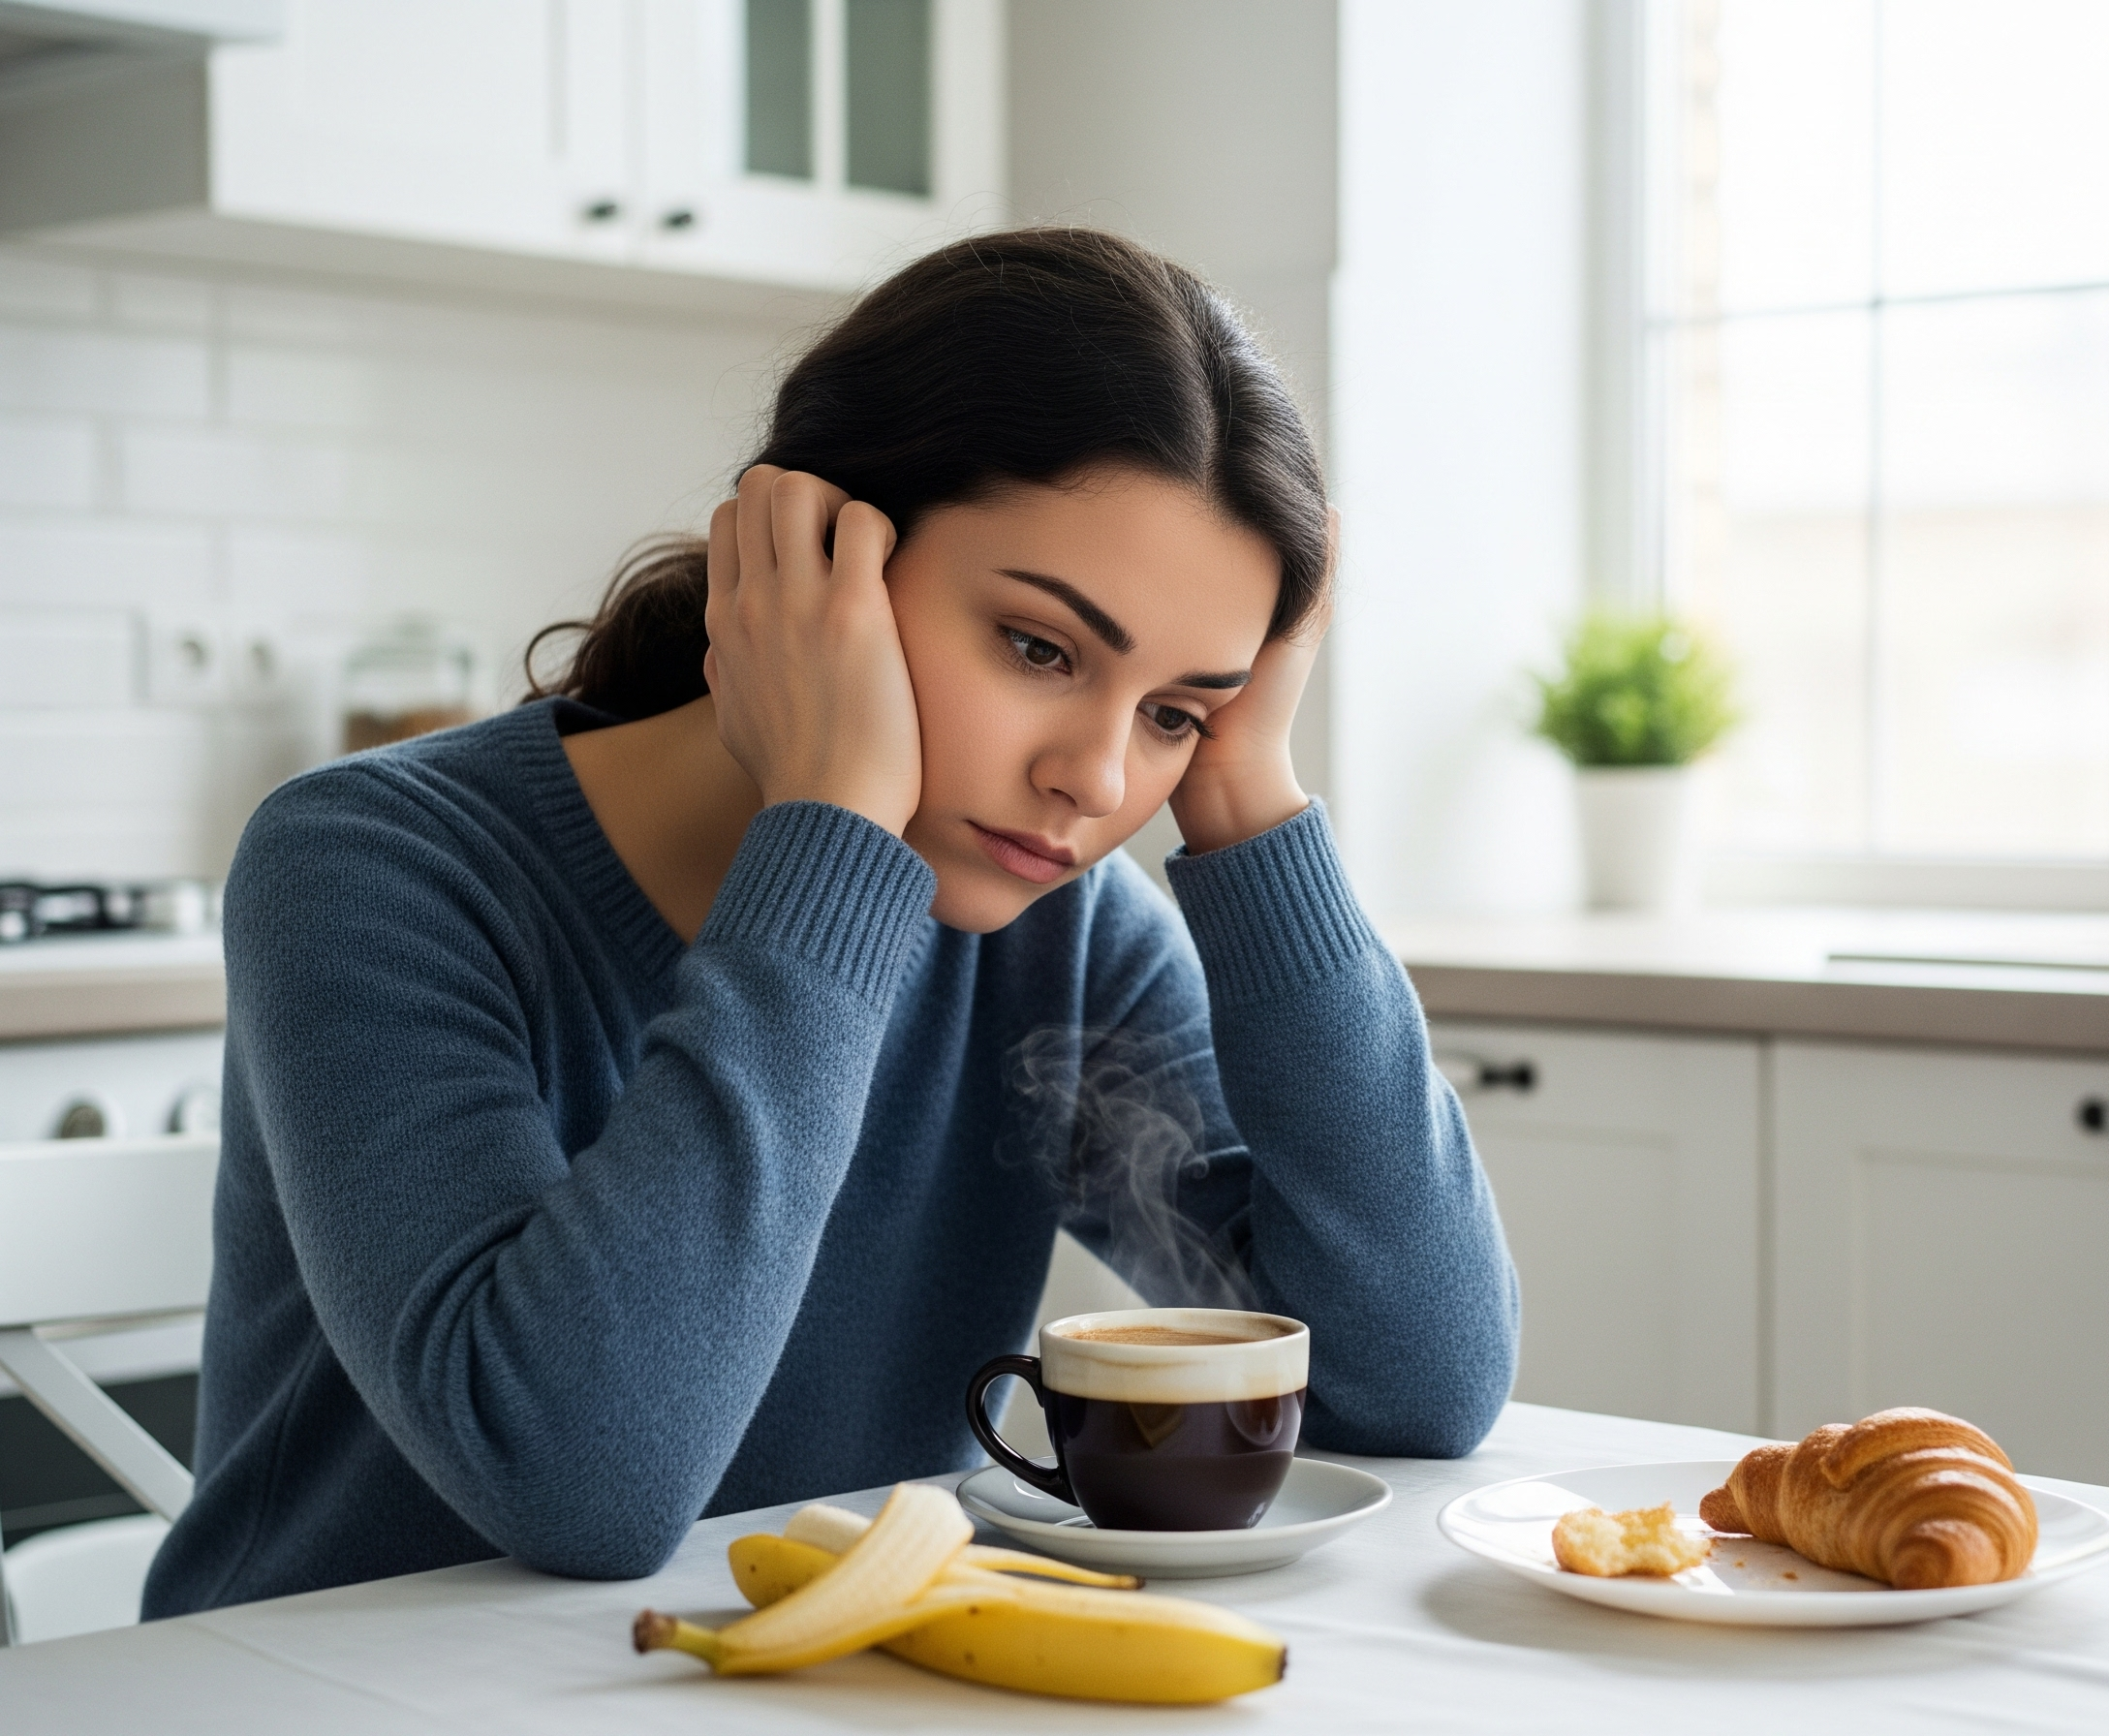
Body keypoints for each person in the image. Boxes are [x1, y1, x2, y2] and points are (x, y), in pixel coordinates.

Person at [143, 229, 1519, 1618]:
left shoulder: (1065, 933)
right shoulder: (376, 864)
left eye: (1176, 710)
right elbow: (581, 1484)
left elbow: (1417, 1382)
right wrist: (837, 826)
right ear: (806, 560)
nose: (1100, 782)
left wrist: (1249, 797)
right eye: (1041, 648)